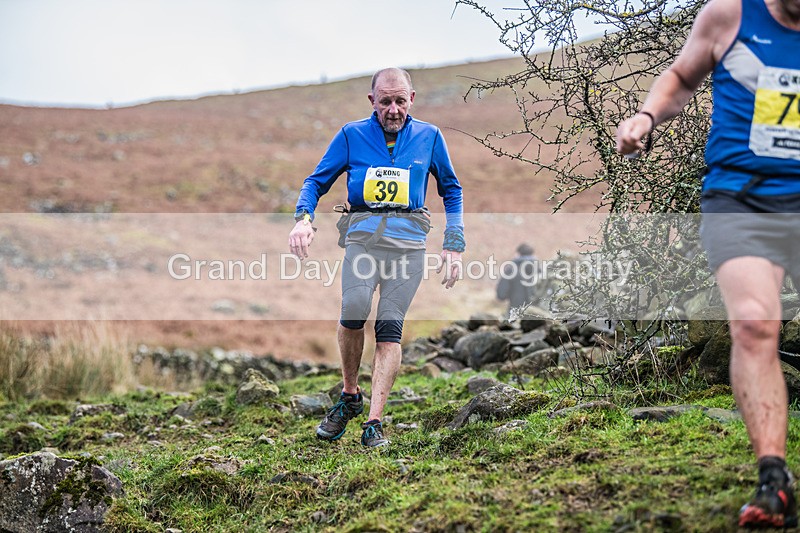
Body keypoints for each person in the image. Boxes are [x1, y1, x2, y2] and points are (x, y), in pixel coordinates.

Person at [616, 0, 800, 527]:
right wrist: (646, 116)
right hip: (741, 199)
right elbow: (681, 75)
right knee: (753, 323)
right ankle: (773, 480)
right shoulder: (729, 16)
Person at [288, 67, 464, 448]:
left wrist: (454, 243)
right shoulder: (352, 135)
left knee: (389, 328)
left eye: (401, 101)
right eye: (386, 102)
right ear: (373, 102)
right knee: (353, 310)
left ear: (412, 99)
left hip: (409, 247)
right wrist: (303, 220)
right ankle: (350, 396)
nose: (394, 109)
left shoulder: (430, 137)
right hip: (363, 242)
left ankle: (374, 421)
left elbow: (452, 189)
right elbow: (315, 182)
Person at [496, 243, 538, 316]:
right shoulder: (540, 270)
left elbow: (501, 294)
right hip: (537, 313)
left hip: (515, 311)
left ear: (518, 254)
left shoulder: (511, 270)